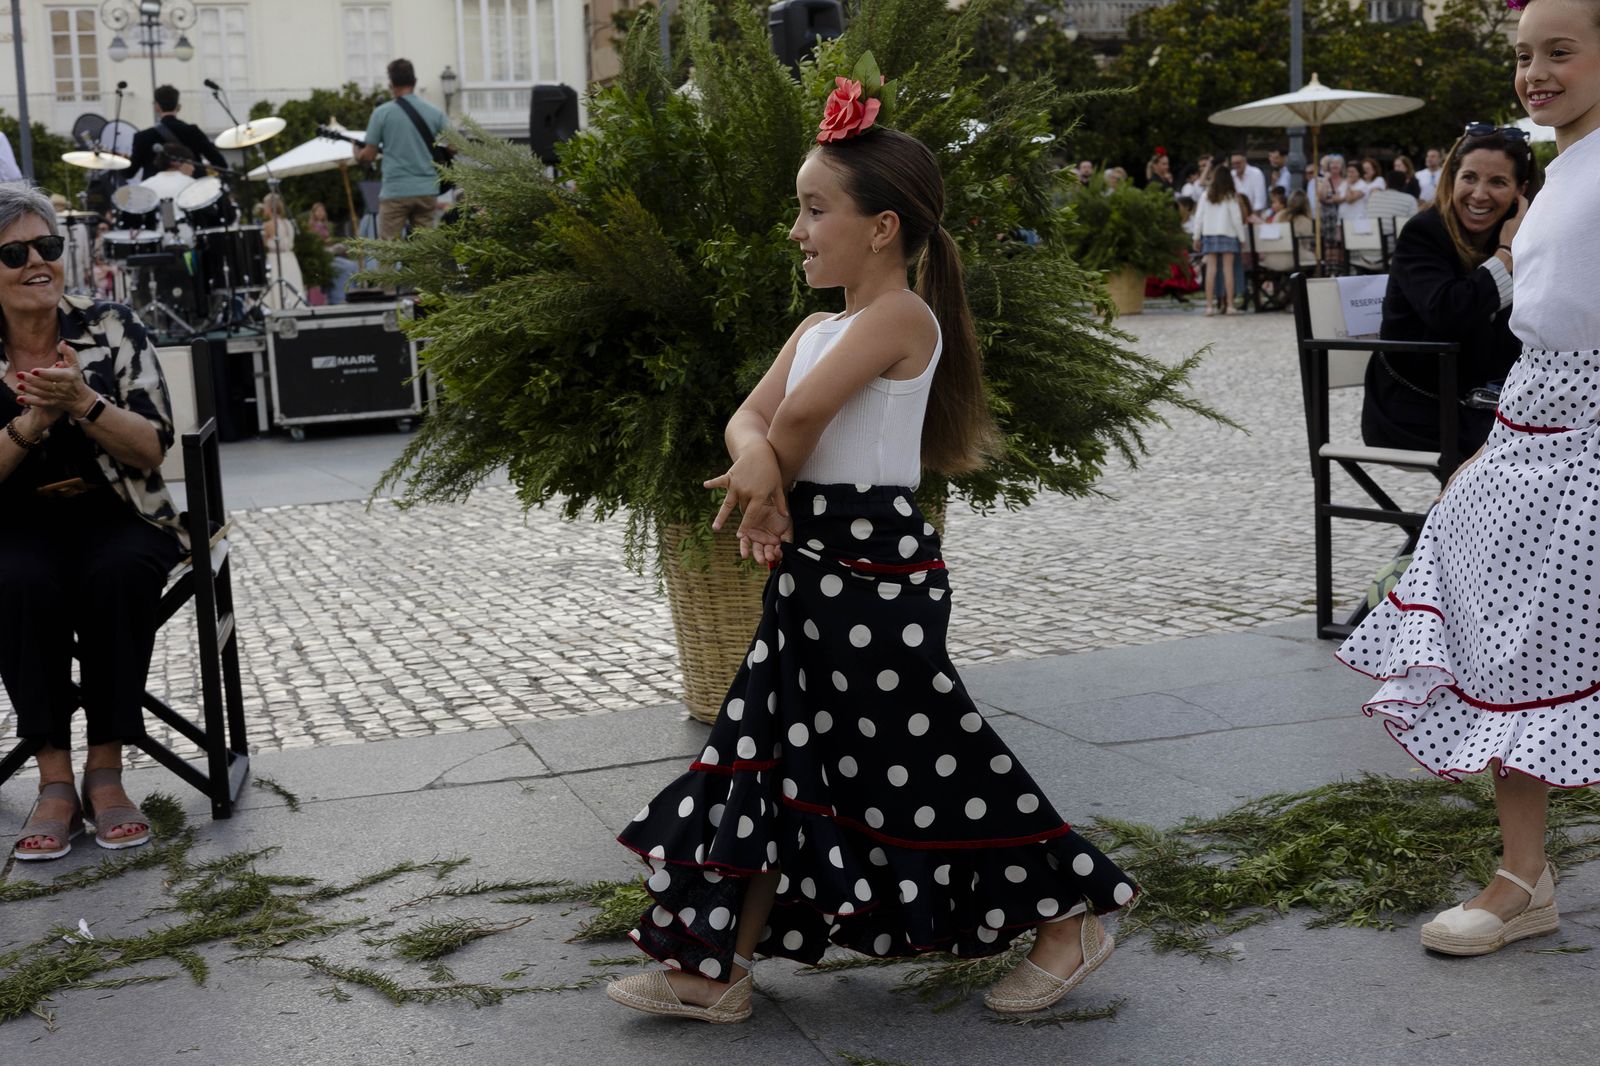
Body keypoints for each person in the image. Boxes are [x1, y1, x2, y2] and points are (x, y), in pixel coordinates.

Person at [605, 80, 1137, 1024]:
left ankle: (1073, 920)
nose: (799, 229)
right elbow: (752, 417)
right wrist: (760, 481)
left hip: (871, 567)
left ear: (883, 226)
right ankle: (712, 967)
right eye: (800, 210)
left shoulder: (903, 319)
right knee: (765, 758)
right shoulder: (817, 326)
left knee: (931, 758)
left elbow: (797, 417)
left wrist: (766, 488)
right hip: (816, 559)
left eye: (816, 210)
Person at [1337, 0, 1599, 959]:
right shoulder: (1566, 174)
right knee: (1507, 645)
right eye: (1525, 55)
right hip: (1532, 434)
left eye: (1559, 52)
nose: (1535, 72)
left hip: (1582, 440)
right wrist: (1493, 448)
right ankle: (1524, 875)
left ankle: (1524, 876)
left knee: (1541, 646)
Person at [0, 181, 183, 860]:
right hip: (14, 525)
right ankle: (53, 781)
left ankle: (105, 771)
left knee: (120, 572)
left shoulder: (110, 326)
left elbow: (152, 447)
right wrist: (32, 423)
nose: (36, 262)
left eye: (46, 246)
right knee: (19, 582)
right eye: (14, 253)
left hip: (118, 511)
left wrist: (83, 401)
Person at [1362, 126, 1538, 457]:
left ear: (1521, 192)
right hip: (1416, 405)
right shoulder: (1425, 232)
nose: (1479, 194)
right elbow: (1449, 312)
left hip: (1486, 402)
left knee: (1572, 435)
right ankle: (1456, 510)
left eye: (1497, 182)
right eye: (1469, 177)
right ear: (1452, 178)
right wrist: (1506, 255)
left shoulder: (1519, 235)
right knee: (1530, 446)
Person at [357, 58, 451, 241]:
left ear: (391, 84)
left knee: (388, 252)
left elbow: (368, 155)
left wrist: (356, 153)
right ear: (414, 82)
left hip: (395, 191)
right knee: (424, 253)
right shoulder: (434, 111)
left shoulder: (381, 113)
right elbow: (455, 146)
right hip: (427, 189)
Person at [128, 85, 227, 182]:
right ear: (178, 107)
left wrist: (120, 161)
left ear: (157, 107)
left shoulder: (142, 137)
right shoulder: (193, 131)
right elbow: (220, 164)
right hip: (191, 191)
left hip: (156, 193)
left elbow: (129, 173)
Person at [1191, 165, 1246, 315]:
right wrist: (1242, 237)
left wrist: (1196, 236)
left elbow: (1199, 218)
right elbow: (1236, 219)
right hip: (1228, 234)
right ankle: (1230, 305)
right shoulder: (1230, 196)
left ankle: (1209, 306)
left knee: (1211, 270)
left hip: (1209, 234)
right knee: (1228, 270)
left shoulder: (1206, 195)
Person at [260, 192, 305, 309]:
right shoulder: (288, 223)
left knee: (276, 289)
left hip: (276, 259)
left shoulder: (268, 225)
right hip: (290, 258)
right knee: (292, 286)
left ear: (269, 208)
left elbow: (263, 244)